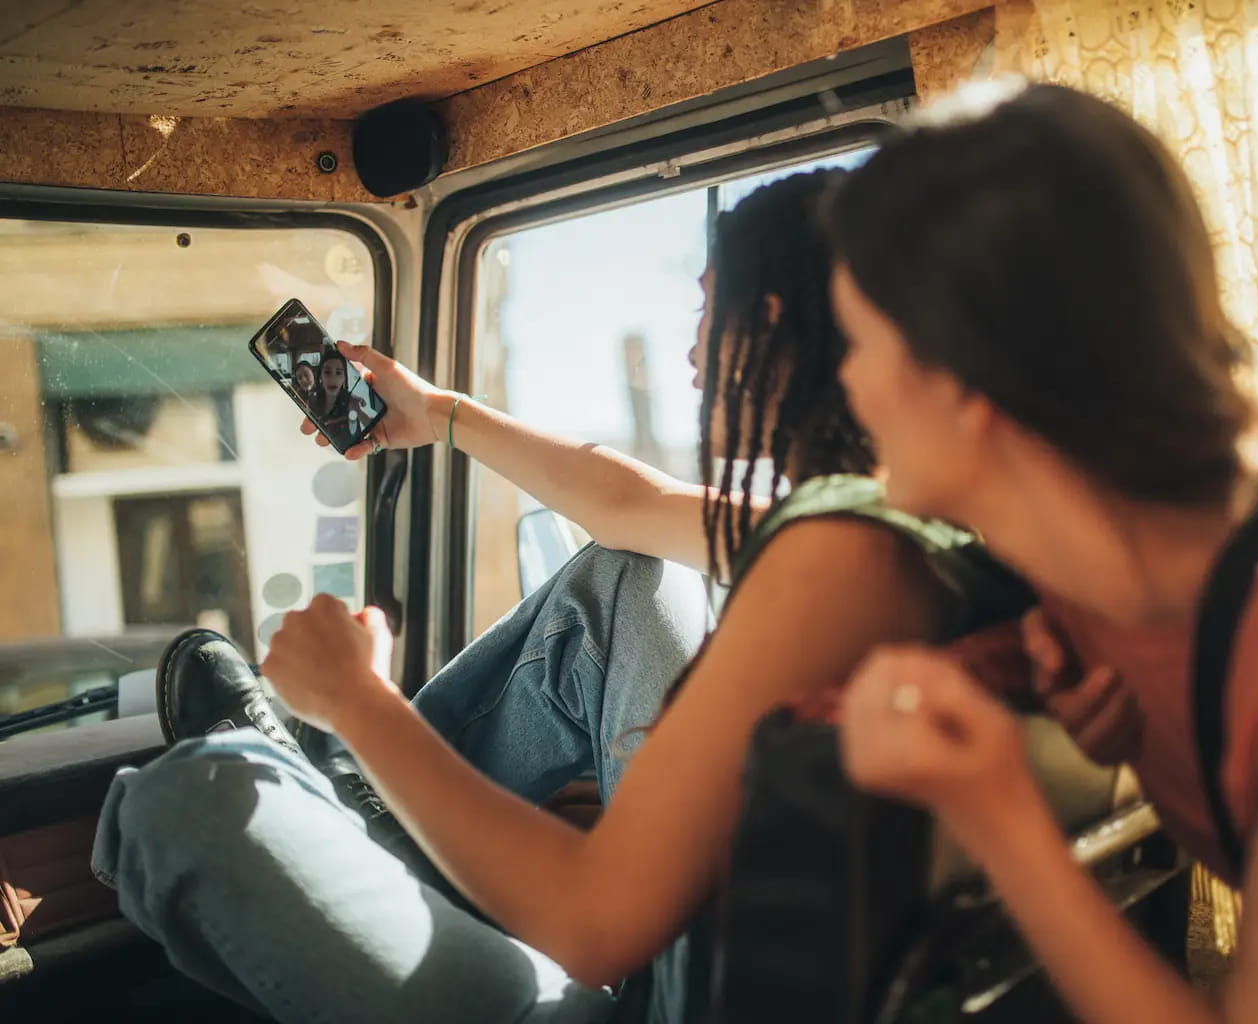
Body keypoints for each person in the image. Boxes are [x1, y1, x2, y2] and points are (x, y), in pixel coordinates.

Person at [92, 170, 992, 1024]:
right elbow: (627, 507)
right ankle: (363, 801)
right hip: (678, 952)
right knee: (627, 571)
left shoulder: (841, 565)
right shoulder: (899, 522)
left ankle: (352, 786)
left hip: (655, 992)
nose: (689, 348)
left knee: (179, 802)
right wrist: (436, 411)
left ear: (767, 322)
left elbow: (593, 927)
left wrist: (358, 701)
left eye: (706, 308)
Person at [828, 81, 1258, 1022]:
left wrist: (999, 815)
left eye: (856, 340)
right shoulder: (1096, 587)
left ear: (965, 384)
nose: (845, 378)